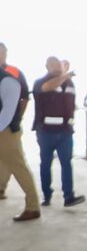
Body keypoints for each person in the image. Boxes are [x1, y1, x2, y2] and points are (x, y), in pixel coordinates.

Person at [33, 56, 86, 208]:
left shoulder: (69, 83)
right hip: (46, 132)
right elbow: (48, 87)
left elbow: (71, 104)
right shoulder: (40, 82)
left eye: (59, 65)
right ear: (47, 66)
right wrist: (66, 75)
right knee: (45, 164)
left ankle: (69, 196)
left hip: (65, 132)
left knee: (67, 163)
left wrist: (71, 120)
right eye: (54, 64)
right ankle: (47, 195)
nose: (57, 67)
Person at [0, 42, 41, 221]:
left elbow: (7, 113)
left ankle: (33, 206)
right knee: (6, 163)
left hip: (6, 131)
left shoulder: (9, 80)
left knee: (18, 167)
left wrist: (17, 121)